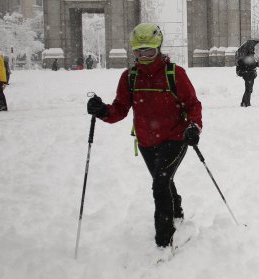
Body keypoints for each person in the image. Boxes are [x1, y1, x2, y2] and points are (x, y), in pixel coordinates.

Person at [86, 23, 203, 249]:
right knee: (163, 181)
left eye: (149, 51)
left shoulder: (175, 73)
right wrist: (102, 111)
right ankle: (177, 213)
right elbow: (120, 109)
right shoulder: (129, 77)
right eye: (139, 51)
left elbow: (193, 105)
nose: (144, 56)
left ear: (158, 48)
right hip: (147, 142)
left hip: (176, 138)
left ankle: (164, 240)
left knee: (160, 184)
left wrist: (194, 127)